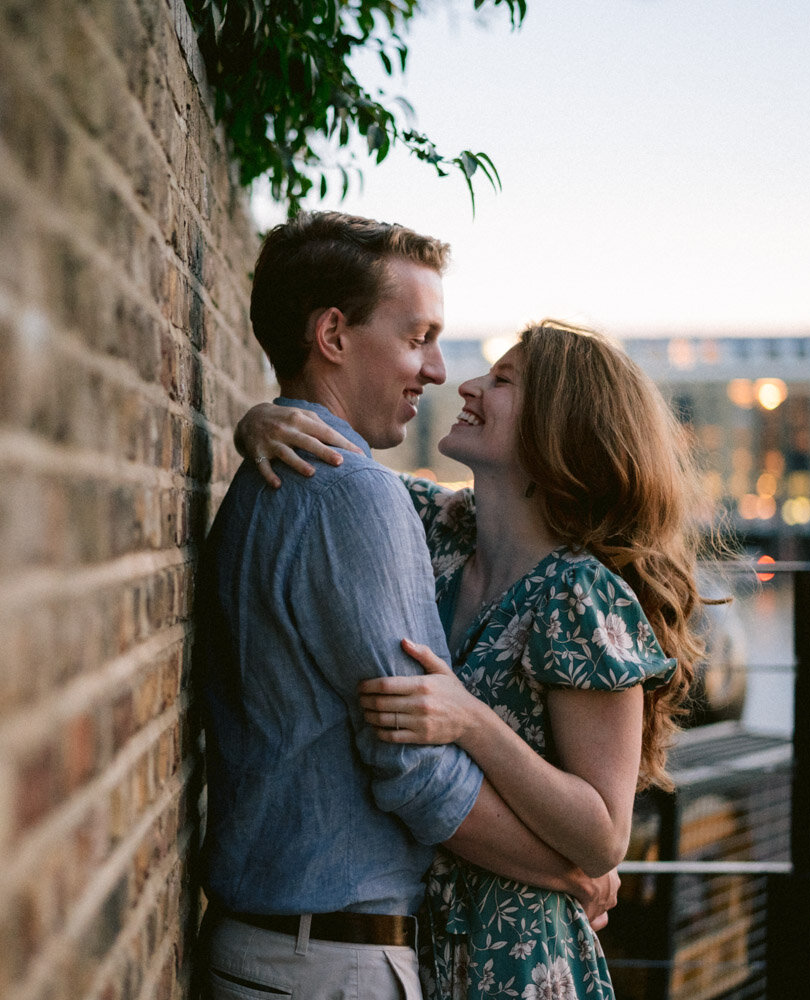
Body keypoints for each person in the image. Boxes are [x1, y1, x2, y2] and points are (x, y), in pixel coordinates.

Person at [194, 214, 618, 1000]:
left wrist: (259, 415)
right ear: (332, 335)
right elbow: (419, 772)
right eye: (419, 335)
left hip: (287, 950)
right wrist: (567, 873)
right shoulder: (355, 493)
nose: (439, 369)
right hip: (325, 960)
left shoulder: (302, 477)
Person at [236, 320, 707, 999]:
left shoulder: (580, 596)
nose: (470, 385)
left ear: (560, 426)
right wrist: (257, 423)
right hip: (409, 942)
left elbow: (603, 835)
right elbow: (327, 465)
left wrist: (471, 721)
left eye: (504, 381)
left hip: (516, 960)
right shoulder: (434, 528)